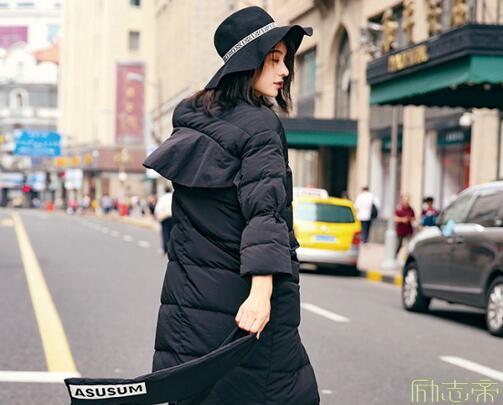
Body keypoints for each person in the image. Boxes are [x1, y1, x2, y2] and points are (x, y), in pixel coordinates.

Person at [143, 6, 319, 405]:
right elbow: (265, 213)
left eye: (286, 60)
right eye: (274, 59)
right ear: (248, 64)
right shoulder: (260, 125)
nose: (285, 71)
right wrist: (261, 292)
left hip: (190, 298)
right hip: (242, 299)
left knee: (201, 393)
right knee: (284, 394)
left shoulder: (195, 119)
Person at [154, 186, 174, 255]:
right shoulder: (173, 197)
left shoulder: (162, 198)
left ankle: (165, 249)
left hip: (165, 218)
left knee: (165, 234)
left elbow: (157, 209)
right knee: (173, 233)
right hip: (173, 217)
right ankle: (173, 249)